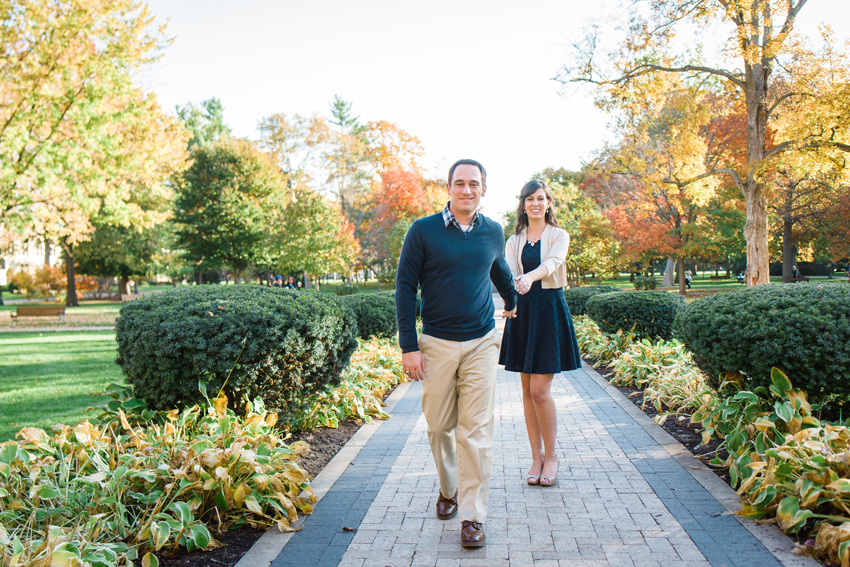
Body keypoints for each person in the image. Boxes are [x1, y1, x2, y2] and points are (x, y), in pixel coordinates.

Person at [395, 159, 516, 549]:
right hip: (436, 343)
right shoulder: (423, 231)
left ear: (484, 189)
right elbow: (404, 288)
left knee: (476, 430)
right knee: (439, 426)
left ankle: (472, 516)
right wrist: (409, 346)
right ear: (448, 188)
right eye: (460, 183)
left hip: (482, 340)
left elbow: (498, 270)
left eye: (474, 184)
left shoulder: (493, 231)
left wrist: (512, 300)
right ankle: (448, 489)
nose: (467, 190)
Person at [499, 179, 581, 489]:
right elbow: (507, 273)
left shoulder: (559, 235)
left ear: (548, 204)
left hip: (548, 310)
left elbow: (553, 262)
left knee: (539, 391)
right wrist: (509, 300)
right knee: (525, 390)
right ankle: (536, 457)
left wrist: (529, 277)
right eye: (530, 198)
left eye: (541, 198)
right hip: (523, 312)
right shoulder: (514, 240)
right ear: (523, 204)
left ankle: (553, 457)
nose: (535, 203)